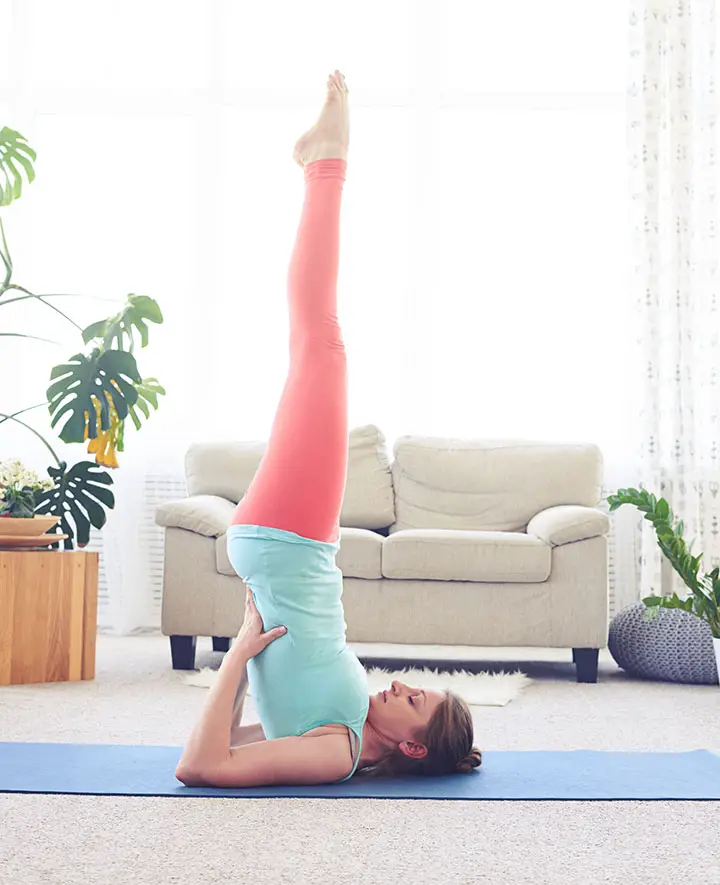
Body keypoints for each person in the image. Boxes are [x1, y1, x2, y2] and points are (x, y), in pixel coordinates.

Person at [176, 71, 482, 788]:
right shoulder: (337, 724)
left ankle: (328, 161)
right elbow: (228, 741)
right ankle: (324, 161)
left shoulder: (339, 749)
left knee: (322, 344)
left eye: (415, 701)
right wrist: (248, 654)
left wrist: (239, 651)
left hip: (290, 541)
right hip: (286, 544)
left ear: (410, 748)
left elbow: (199, 763)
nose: (404, 684)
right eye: (418, 686)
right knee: (313, 346)